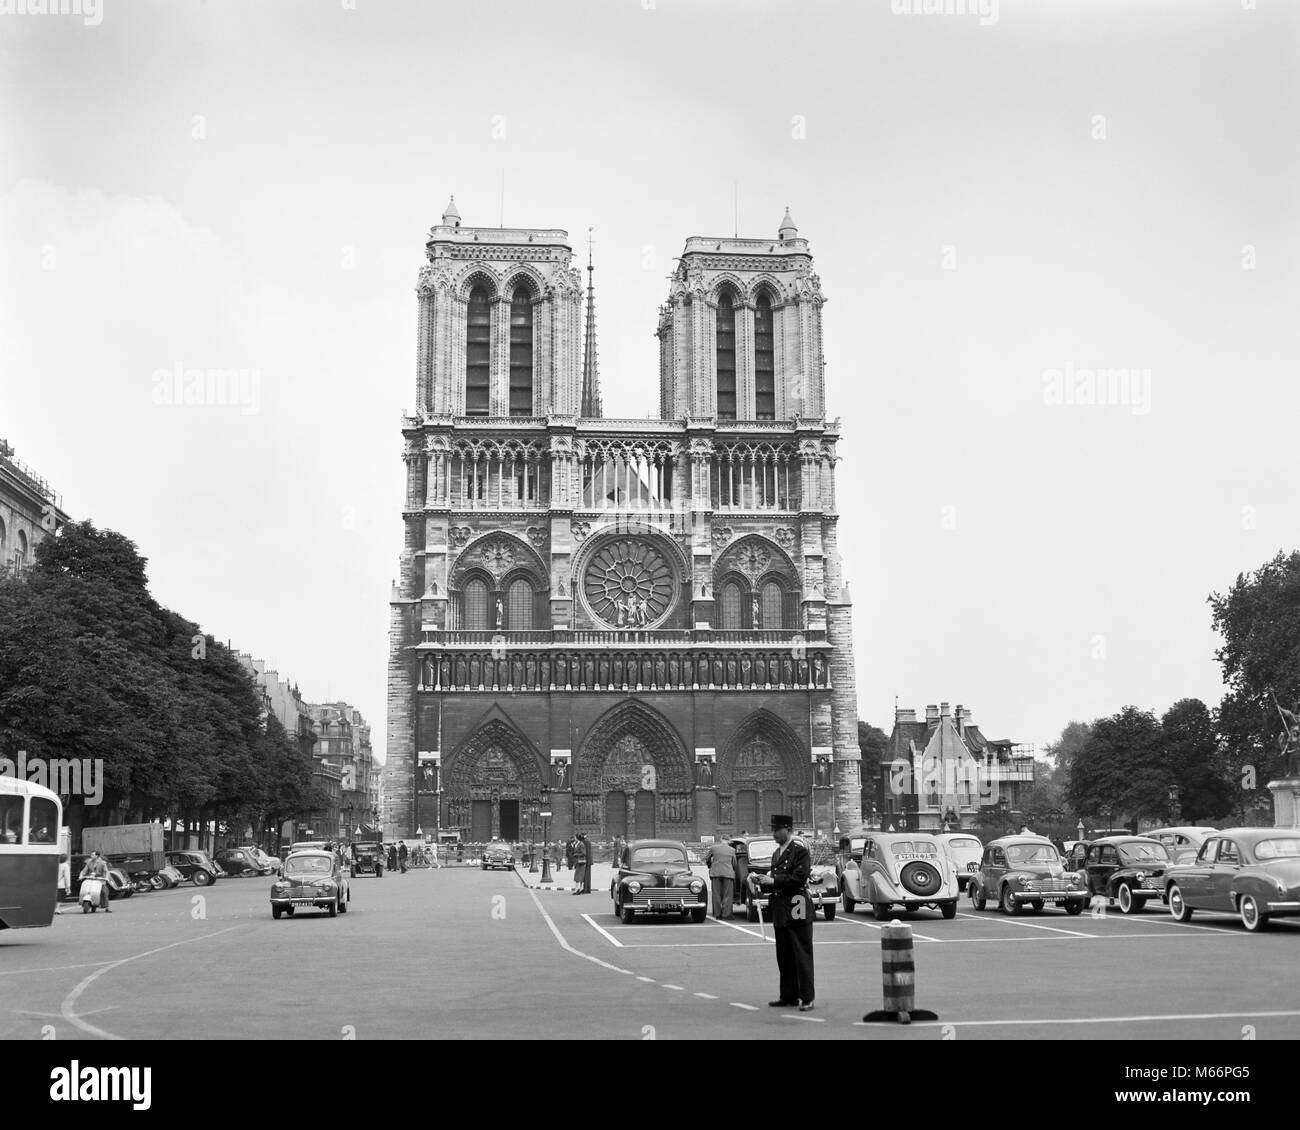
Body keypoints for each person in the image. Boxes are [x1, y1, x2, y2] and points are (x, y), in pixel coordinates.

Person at [750, 814, 814, 1011]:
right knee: (784, 953)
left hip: (797, 903)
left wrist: (774, 881)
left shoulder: (799, 852)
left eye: (778, 830)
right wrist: (760, 882)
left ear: (788, 830)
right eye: (774, 830)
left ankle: (807, 997)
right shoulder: (777, 854)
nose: (774, 833)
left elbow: (799, 879)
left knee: (801, 952)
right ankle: (788, 995)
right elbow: (774, 882)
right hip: (781, 906)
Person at [704, 834, 739, 920]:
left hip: (715, 873)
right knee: (727, 894)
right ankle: (726, 914)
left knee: (716, 894)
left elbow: (707, 859)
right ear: (728, 841)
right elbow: (734, 863)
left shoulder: (714, 848)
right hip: (728, 873)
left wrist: (710, 866)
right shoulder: (732, 850)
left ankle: (718, 914)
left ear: (721, 839)